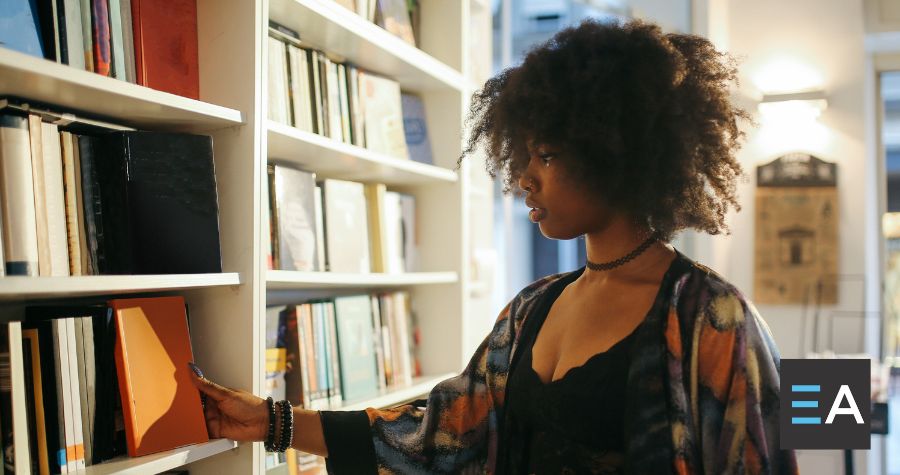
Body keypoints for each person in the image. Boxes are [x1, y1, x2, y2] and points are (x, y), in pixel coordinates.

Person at [188, 19, 799, 474]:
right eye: (523, 154)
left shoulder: (711, 319)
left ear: (616, 153)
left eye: (548, 155)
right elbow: (443, 432)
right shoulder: (533, 308)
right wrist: (271, 421)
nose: (523, 178)